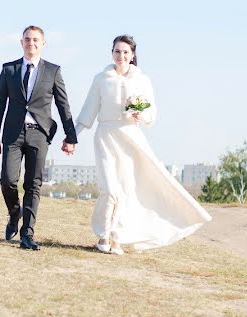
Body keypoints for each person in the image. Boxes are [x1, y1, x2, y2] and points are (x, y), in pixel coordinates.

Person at [74, 34, 212, 254]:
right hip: (106, 136)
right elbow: (88, 110)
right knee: (110, 189)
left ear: (133, 55)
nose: (121, 56)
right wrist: (72, 136)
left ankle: (117, 238)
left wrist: (141, 115)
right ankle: (103, 234)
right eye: (117, 51)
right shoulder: (101, 79)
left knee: (126, 189)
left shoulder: (142, 80)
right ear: (112, 53)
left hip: (131, 138)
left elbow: (151, 113)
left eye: (126, 52)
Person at [0, 25, 78, 250]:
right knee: (8, 180)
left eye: (36, 40)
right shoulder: (9, 69)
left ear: (43, 43)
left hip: (39, 133)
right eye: (27, 39)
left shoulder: (53, 71)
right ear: (21, 42)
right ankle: (13, 213)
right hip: (13, 133)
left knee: (33, 184)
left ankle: (27, 234)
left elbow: (63, 105)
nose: (31, 43)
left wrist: (71, 136)